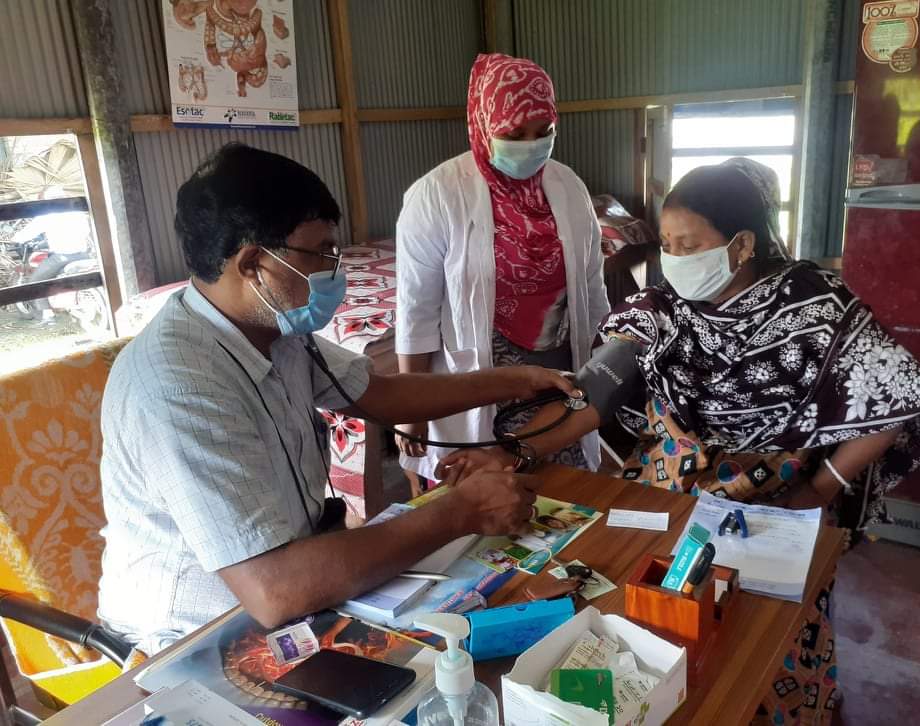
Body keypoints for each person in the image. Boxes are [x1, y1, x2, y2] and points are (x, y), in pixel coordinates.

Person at [439, 158, 920, 725]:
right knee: (648, 616)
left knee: (761, 638)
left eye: (688, 244)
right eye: (666, 243)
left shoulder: (818, 305)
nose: (673, 260)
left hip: (775, 499)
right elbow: (592, 399)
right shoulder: (662, 312)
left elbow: (898, 399)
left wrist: (818, 490)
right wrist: (515, 451)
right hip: (669, 487)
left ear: (741, 245)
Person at [96, 144, 579, 655]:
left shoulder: (271, 329)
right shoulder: (181, 386)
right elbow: (275, 589)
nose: (335, 269)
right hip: (192, 640)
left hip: (293, 587)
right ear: (254, 263)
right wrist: (460, 511)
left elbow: (380, 393)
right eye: (321, 253)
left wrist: (516, 380)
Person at [393, 53, 610, 484]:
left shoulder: (568, 186)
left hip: (559, 381)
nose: (531, 145)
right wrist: (412, 411)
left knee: (563, 494)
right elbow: (416, 310)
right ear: (484, 123)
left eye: (543, 132)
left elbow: (591, 284)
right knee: (488, 496)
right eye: (515, 134)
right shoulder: (437, 195)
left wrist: (603, 370)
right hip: (481, 384)